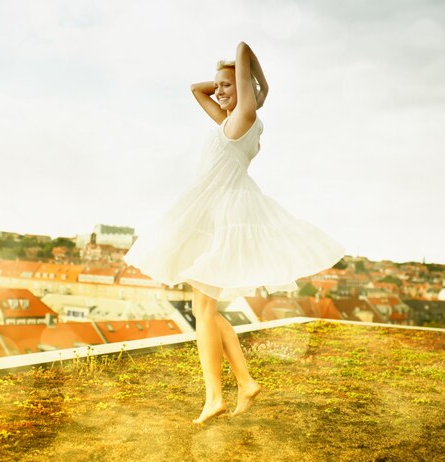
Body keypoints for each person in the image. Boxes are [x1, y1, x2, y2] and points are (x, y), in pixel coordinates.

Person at [123, 41, 345, 424]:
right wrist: (222, 83)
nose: (219, 91)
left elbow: (243, 48)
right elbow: (196, 89)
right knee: (204, 308)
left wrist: (260, 88)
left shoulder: (244, 114)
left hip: (223, 214)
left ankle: (215, 396)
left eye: (226, 86)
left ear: (244, 92)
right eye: (219, 86)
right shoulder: (231, 118)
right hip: (215, 209)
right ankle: (243, 382)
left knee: (203, 309)